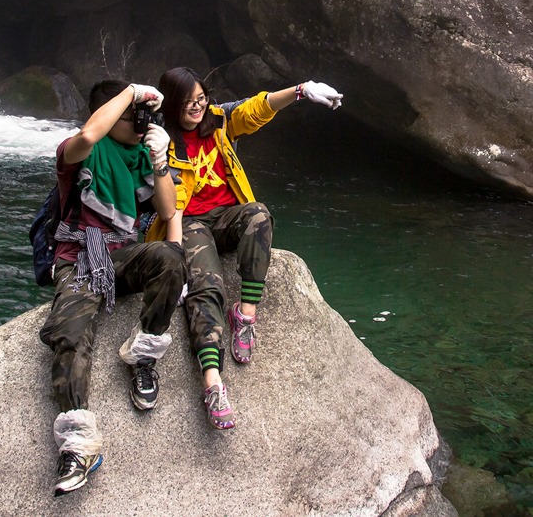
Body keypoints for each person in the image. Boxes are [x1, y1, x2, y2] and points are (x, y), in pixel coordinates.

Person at [149, 67, 343, 430]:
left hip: (227, 215)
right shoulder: (161, 140)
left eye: (201, 98)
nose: (198, 107)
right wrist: (173, 257)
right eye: (189, 102)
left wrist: (301, 90)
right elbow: (165, 207)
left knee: (259, 215)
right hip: (188, 221)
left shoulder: (219, 120)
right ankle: (212, 383)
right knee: (207, 286)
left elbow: (258, 107)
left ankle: (246, 315)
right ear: (172, 104)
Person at [40, 80, 186, 496]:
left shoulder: (139, 155)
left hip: (122, 256)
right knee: (70, 333)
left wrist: (159, 161)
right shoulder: (78, 151)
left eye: (143, 117)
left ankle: (143, 355)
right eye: (131, 117)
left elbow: (167, 209)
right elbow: (89, 134)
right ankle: (78, 443)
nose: (140, 124)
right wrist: (131, 91)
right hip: (80, 258)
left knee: (171, 259)